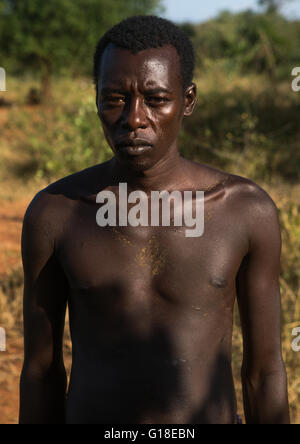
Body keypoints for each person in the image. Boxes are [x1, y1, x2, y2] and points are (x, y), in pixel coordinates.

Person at [19, 15, 290, 424]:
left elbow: (264, 372)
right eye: (114, 98)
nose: (134, 118)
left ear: (189, 100)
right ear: (95, 98)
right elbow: (41, 371)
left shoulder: (244, 211)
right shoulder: (56, 212)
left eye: (156, 98)